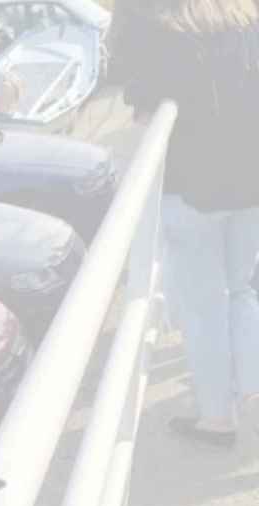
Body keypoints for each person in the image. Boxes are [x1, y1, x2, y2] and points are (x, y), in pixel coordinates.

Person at [110, 0, 259, 447]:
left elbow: (140, 103)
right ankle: (252, 394)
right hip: (248, 184)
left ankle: (217, 417)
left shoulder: (163, 34)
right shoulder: (247, 23)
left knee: (202, 305)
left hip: (191, 185)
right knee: (241, 290)